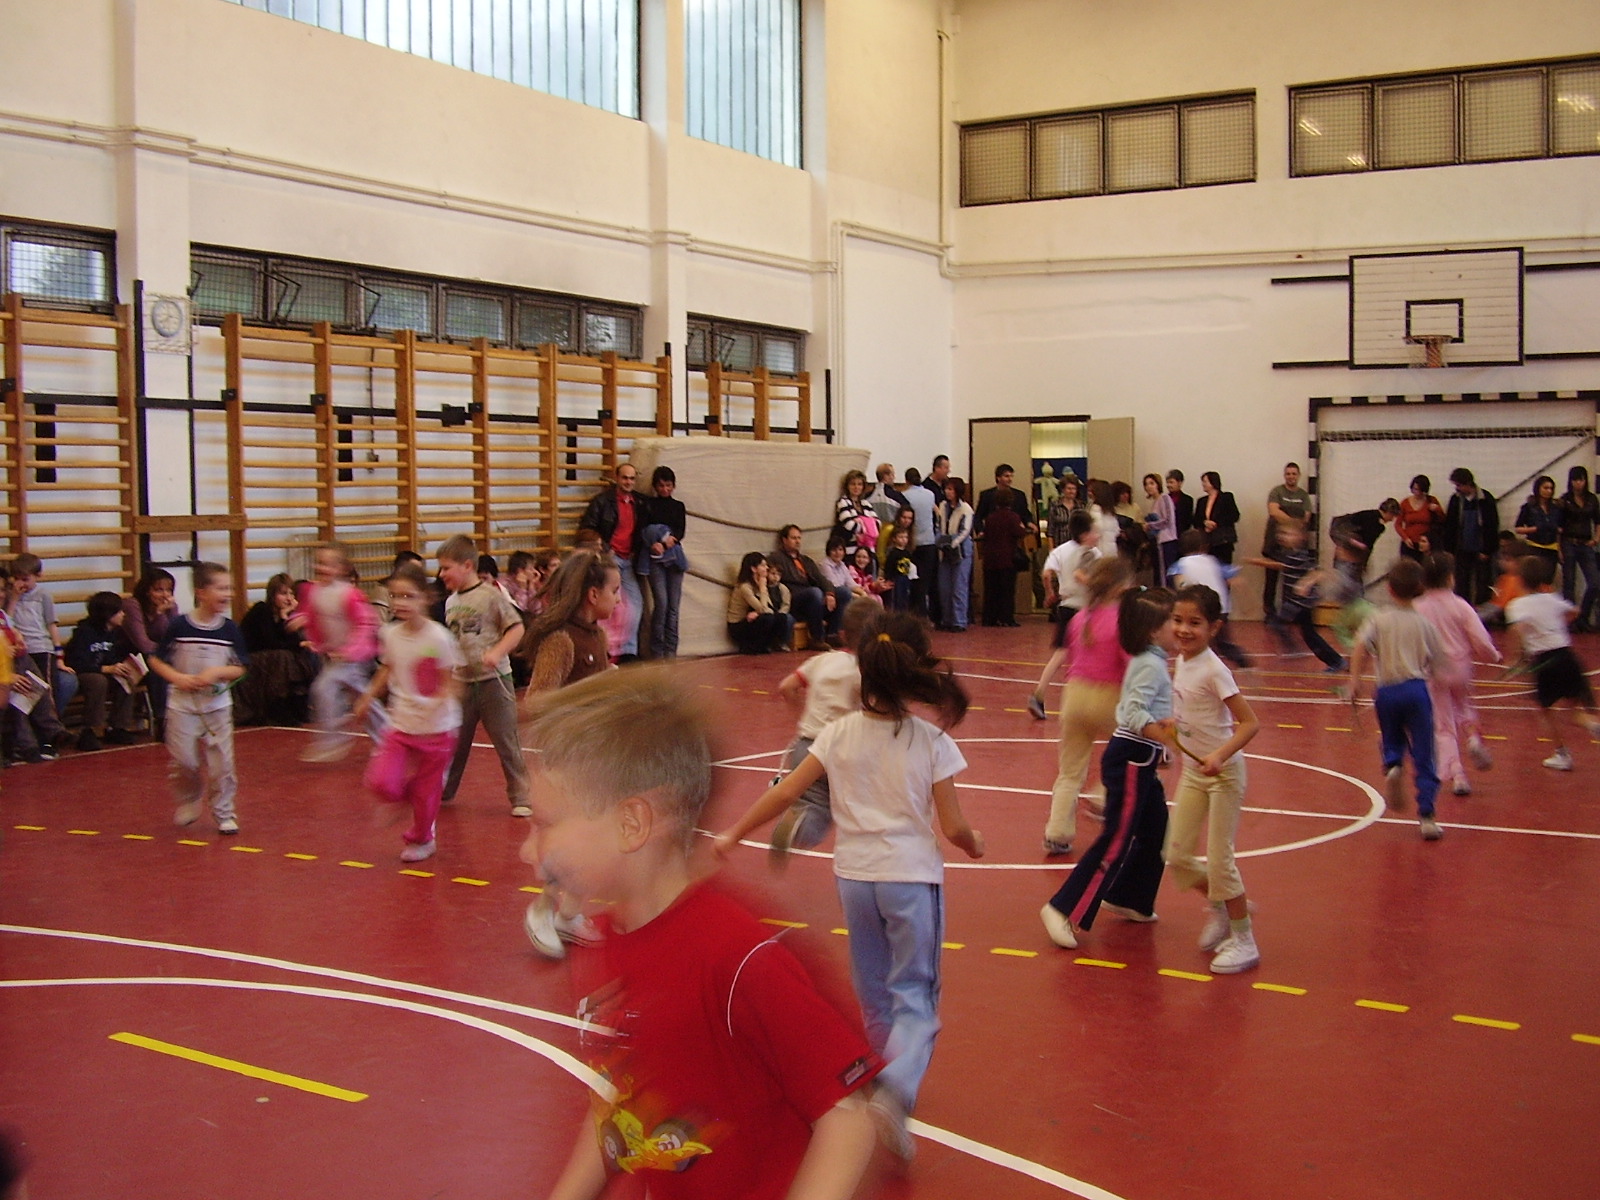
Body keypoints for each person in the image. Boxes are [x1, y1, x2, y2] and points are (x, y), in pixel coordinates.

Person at [525, 668, 881, 1199]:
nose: (528, 849)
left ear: (631, 824)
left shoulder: (735, 956)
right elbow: (622, 1097)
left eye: (545, 823)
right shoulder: (606, 940)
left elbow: (847, 1118)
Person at [714, 609, 984, 1160]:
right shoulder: (930, 740)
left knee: (875, 994)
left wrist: (734, 832)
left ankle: (886, 1087)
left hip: (855, 879)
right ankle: (895, 1091)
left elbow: (785, 792)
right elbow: (954, 826)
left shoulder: (837, 734)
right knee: (916, 997)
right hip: (910, 878)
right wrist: (973, 842)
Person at [1040, 587, 1177, 950]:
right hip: (1132, 756)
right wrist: (1165, 736)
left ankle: (1130, 897)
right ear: (1154, 630)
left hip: (1143, 757)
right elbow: (1132, 713)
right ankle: (1063, 908)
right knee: (1116, 838)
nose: (1178, 629)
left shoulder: (1152, 660)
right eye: (1173, 621)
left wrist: (1162, 746)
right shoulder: (1149, 665)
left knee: (1154, 831)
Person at [518, 550, 621, 958]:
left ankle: (569, 914)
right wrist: (590, 695)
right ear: (593, 594)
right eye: (615, 591)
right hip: (566, 760)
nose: (619, 599)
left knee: (599, 841)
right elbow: (537, 701)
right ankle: (543, 909)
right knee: (576, 841)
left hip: (595, 755)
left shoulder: (596, 636)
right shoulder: (561, 640)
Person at [1164, 584, 1263, 973]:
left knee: (1220, 862)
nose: (1183, 630)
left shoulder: (1214, 669)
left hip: (1223, 775)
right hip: (1193, 773)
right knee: (1177, 855)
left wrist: (1220, 755)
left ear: (1214, 627)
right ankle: (1221, 906)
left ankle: (1244, 939)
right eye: (1177, 620)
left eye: (1194, 623)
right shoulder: (1182, 660)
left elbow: (1250, 723)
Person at [352, 562, 463, 863]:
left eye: (408, 596)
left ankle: (423, 838)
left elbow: (449, 682)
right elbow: (387, 668)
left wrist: (436, 703)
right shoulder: (390, 634)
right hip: (401, 724)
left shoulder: (438, 638)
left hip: (437, 729)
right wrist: (368, 697)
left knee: (427, 792)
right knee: (381, 781)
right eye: (395, 596)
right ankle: (407, 798)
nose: (400, 603)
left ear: (425, 598)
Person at [148, 562, 249, 835]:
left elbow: (240, 668)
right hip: (182, 706)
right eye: (221, 588)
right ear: (201, 592)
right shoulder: (179, 625)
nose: (228, 594)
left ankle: (224, 812)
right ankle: (190, 798)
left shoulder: (230, 629)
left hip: (217, 707)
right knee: (185, 761)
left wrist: (217, 673)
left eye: (230, 588)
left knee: (222, 764)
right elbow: (156, 661)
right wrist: (177, 678)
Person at [1041, 556, 1133, 856]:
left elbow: (1072, 658)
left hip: (1075, 695)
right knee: (1131, 751)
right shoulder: (1122, 620)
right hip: (1108, 695)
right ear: (1121, 587)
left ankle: (1057, 831)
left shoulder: (1080, 618)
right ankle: (1103, 795)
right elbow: (1131, 665)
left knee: (1069, 770)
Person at [766, 600, 874, 855]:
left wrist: (801, 714)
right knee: (861, 799)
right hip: (842, 748)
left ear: (843, 634)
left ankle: (797, 826)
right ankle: (869, 845)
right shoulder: (865, 671)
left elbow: (787, 687)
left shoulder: (822, 660)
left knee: (814, 804)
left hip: (805, 745)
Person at [1348, 558, 1444, 840]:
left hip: (1386, 691)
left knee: (1391, 737)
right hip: (1415, 689)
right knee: (1424, 751)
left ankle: (1393, 764)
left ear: (1389, 589)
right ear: (1421, 588)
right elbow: (1437, 663)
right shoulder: (1425, 624)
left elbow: (1360, 646)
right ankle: (1427, 814)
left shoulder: (1378, 619)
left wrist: (1354, 680)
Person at [436, 534, 531, 817]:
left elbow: (517, 628)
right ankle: (444, 789)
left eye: (446, 568)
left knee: (506, 742)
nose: (441, 574)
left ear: (467, 566)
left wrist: (497, 652)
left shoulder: (491, 596)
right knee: (455, 742)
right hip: (463, 682)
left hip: (494, 682)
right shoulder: (450, 602)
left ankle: (521, 795)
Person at [1413, 552, 1500, 796]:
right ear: (1451, 578)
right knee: (1464, 706)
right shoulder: (1461, 606)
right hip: (1460, 667)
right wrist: (1494, 655)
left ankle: (1457, 773)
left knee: (1443, 725)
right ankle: (1473, 739)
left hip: (1433, 670)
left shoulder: (1417, 607)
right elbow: (1480, 639)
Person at [1504, 554, 1600, 771]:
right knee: (1574, 710)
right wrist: (1555, 623)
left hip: (1545, 661)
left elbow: (1517, 630)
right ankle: (1593, 724)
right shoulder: (1552, 598)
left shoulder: (1517, 605)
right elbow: (1575, 612)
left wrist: (1515, 658)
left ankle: (1562, 754)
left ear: (1520, 579)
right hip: (1567, 657)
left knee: (1545, 710)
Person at [289, 542, 379, 763]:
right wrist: (300, 619)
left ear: (342, 569)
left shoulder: (349, 594)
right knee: (364, 700)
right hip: (334, 656)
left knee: (323, 688)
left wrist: (351, 650)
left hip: (354, 658)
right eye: (319, 563)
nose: (322, 568)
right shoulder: (314, 591)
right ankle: (387, 739)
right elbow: (308, 612)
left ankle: (333, 739)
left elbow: (366, 623)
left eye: (328, 564)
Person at [1028, 509, 1101, 720]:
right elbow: (1094, 580)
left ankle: (1039, 694)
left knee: (1060, 653)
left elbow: (1046, 574)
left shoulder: (1060, 550)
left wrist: (1050, 593)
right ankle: (1083, 702)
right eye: (1094, 531)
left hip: (1066, 606)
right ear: (1085, 534)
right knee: (1089, 655)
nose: (1097, 535)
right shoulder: (1094, 554)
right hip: (1085, 610)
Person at [1240, 523, 1345, 671]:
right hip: (1298, 602)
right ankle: (1336, 661)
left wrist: (1305, 583)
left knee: (1278, 623)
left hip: (1301, 602)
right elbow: (1278, 565)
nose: (1283, 537)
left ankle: (1295, 650)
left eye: (1288, 533)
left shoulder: (1301, 555)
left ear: (1301, 537)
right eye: (1281, 533)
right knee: (1309, 635)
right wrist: (1254, 561)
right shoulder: (1289, 555)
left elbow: (1319, 572)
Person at [8, 553, 75, 757]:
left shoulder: (43, 595)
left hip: (41, 648)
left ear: (38, 576)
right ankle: (37, 737)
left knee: (46, 692)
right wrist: (14, 598)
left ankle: (50, 737)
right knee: (27, 693)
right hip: (21, 651)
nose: (21, 583)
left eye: (25, 579)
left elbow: (51, 624)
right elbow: (7, 621)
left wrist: (59, 654)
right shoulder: (11, 596)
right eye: (17, 578)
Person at [577, 463, 646, 659]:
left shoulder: (639, 502)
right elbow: (588, 528)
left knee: (634, 606)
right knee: (608, 606)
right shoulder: (602, 501)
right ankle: (605, 650)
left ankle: (629, 652)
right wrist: (605, 550)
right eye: (625, 478)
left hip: (628, 560)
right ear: (617, 478)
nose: (628, 482)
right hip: (610, 559)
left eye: (632, 478)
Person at [62, 591, 140, 751]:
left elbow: (114, 656)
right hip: (84, 672)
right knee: (98, 681)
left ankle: (118, 727)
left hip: (106, 671)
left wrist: (123, 666)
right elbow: (76, 662)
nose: (123, 614)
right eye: (119, 611)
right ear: (108, 614)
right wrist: (105, 668)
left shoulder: (115, 633)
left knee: (127, 677)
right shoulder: (84, 632)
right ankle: (90, 729)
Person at [238, 572, 315, 726]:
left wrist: (286, 617)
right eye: (283, 593)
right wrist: (285, 622)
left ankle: (298, 702)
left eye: (291, 594)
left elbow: (293, 642)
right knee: (283, 656)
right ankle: (278, 706)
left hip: (271, 658)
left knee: (299, 655)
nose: (288, 598)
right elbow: (270, 642)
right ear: (272, 595)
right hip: (252, 659)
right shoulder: (261, 610)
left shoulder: (283, 615)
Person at [1170, 530, 1250, 668]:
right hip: (1220, 607)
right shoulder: (1213, 561)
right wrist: (1246, 603)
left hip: (1198, 608)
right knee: (1220, 640)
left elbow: (1180, 584)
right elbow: (1234, 578)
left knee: (1202, 639)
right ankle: (1240, 660)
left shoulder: (1180, 564)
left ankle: (1206, 664)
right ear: (1204, 546)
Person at [636, 465, 688, 660]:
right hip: (655, 559)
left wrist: (667, 543)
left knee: (674, 608)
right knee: (662, 604)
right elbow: (642, 530)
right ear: (655, 486)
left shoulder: (678, 506)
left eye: (668, 485)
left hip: (673, 557)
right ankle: (657, 652)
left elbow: (680, 531)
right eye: (661, 486)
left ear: (673, 486)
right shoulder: (647, 504)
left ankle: (671, 651)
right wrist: (653, 544)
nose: (665, 489)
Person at [773, 524, 851, 646]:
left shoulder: (806, 560)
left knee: (843, 592)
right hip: (794, 600)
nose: (797, 541)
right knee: (814, 592)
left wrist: (830, 593)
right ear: (784, 540)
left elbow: (822, 579)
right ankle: (817, 638)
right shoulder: (776, 558)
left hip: (814, 599)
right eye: (793, 538)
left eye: (799, 538)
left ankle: (832, 634)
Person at [122, 567, 178, 731]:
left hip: (157, 654)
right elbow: (143, 644)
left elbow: (175, 637)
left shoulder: (171, 606)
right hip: (130, 656)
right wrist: (159, 614)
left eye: (168, 590)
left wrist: (169, 612)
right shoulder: (132, 605)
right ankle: (162, 718)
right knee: (159, 663)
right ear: (147, 591)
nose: (165, 595)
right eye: (158, 590)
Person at [1441, 467, 1499, 606]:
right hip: (1461, 548)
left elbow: (1492, 525)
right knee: (1461, 583)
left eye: (1459, 485)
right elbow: (1450, 525)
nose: (1457, 488)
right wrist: (1449, 549)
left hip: (1481, 549)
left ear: (1468, 483)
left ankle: (1482, 611)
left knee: (1483, 583)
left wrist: (1487, 550)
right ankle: (1463, 609)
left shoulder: (1486, 498)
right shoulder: (1455, 500)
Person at [1262, 462, 1312, 618]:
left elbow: (1306, 517)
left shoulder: (1303, 495)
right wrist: (1292, 523)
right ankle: (1269, 612)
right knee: (1271, 580)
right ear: (1284, 475)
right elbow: (1273, 511)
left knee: (1291, 580)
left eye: (1294, 474)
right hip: (1274, 543)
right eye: (1288, 474)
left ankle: (1289, 613)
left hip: (1294, 546)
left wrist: (1290, 524)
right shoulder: (1277, 492)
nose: (1291, 476)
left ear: (1298, 476)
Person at [1558, 465, 1600, 631]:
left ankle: (1582, 616)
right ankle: (1571, 621)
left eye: (1581, 480)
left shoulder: (1592, 499)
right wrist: (1559, 548)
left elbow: (1598, 520)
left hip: (1586, 543)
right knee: (1569, 584)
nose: (1578, 483)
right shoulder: (1564, 500)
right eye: (1575, 480)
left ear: (1585, 480)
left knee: (1595, 583)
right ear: (1570, 481)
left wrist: (1596, 538)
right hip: (1568, 542)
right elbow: (1558, 526)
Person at [726, 552, 792, 654]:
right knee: (767, 618)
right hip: (738, 625)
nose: (766, 568)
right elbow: (764, 610)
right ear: (753, 569)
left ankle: (769, 645)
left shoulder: (761, 582)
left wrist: (757, 613)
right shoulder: (745, 587)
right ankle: (752, 647)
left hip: (753, 618)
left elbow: (770, 608)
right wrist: (762, 589)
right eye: (763, 565)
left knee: (781, 617)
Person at [935, 476, 974, 632]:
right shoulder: (943, 506)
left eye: (951, 489)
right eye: (946, 489)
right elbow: (939, 525)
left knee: (959, 587)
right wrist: (940, 541)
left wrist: (952, 543)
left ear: (958, 491)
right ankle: (947, 619)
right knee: (944, 587)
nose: (947, 492)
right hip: (944, 550)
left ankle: (959, 621)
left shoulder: (966, 509)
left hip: (961, 552)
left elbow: (965, 531)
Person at [979, 495, 1025, 628]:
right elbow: (1019, 532)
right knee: (1007, 591)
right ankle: (1006, 618)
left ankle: (990, 618)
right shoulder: (1013, 517)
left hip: (990, 559)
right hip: (1007, 558)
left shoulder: (990, 517)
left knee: (991, 590)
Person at [901, 466, 938, 619]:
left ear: (906, 480)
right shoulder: (930, 494)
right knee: (925, 582)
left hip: (912, 542)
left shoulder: (904, 495)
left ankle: (914, 615)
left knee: (913, 580)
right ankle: (925, 616)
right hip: (929, 541)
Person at [1192, 471, 1241, 564]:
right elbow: (1195, 520)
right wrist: (1205, 523)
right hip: (1207, 541)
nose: (1203, 484)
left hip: (1223, 540)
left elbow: (1234, 516)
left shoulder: (1226, 497)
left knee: (1223, 566)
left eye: (1205, 481)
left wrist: (1215, 523)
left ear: (1213, 482)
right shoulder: (1201, 501)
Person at [1397, 474, 1445, 561]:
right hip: (1409, 543)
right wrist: (1405, 538)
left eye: (1420, 490)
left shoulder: (1431, 500)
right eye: (1415, 489)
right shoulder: (1405, 503)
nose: (1417, 493)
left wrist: (1437, 509)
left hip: (1426, 545)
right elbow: (1398, 524)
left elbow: (1443, 519)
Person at [1143, 472, 1179, 585]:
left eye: (1151, 483)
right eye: (1146, 484)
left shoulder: (1165, 498)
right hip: (1158, 542)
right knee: (1159, 573)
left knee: (1166, 574)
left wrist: (1150, 525)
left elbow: (1168, 520)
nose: (1148, 487)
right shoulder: (1154, 502)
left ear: (1158, 484)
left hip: (1167, 541)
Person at [834, 469, 880, 553]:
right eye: (853, 484)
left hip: (868, 549)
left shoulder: (866, 503)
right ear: (847, 486)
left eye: (859, 484)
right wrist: (868, 523)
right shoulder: (843, 502)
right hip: (851, 549)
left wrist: (860, 521)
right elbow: (849, 526)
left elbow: (878, 525)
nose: (856, 487)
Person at [868, 461, 908, 529]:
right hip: (892, 531)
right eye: (892, 474)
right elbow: (907, 510)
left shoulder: (868, 496)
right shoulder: (896, 496)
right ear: (886, 476)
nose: (894, 477)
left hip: (873, 530)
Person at [1165, 470, 1195, 546]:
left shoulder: (1188, 500)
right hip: (1166, 537)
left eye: (1171, 482)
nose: (1168, 485)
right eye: (1167, 482)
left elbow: (1188, 520)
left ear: (1180, 483)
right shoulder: (1163, 499)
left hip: (1182, 537)